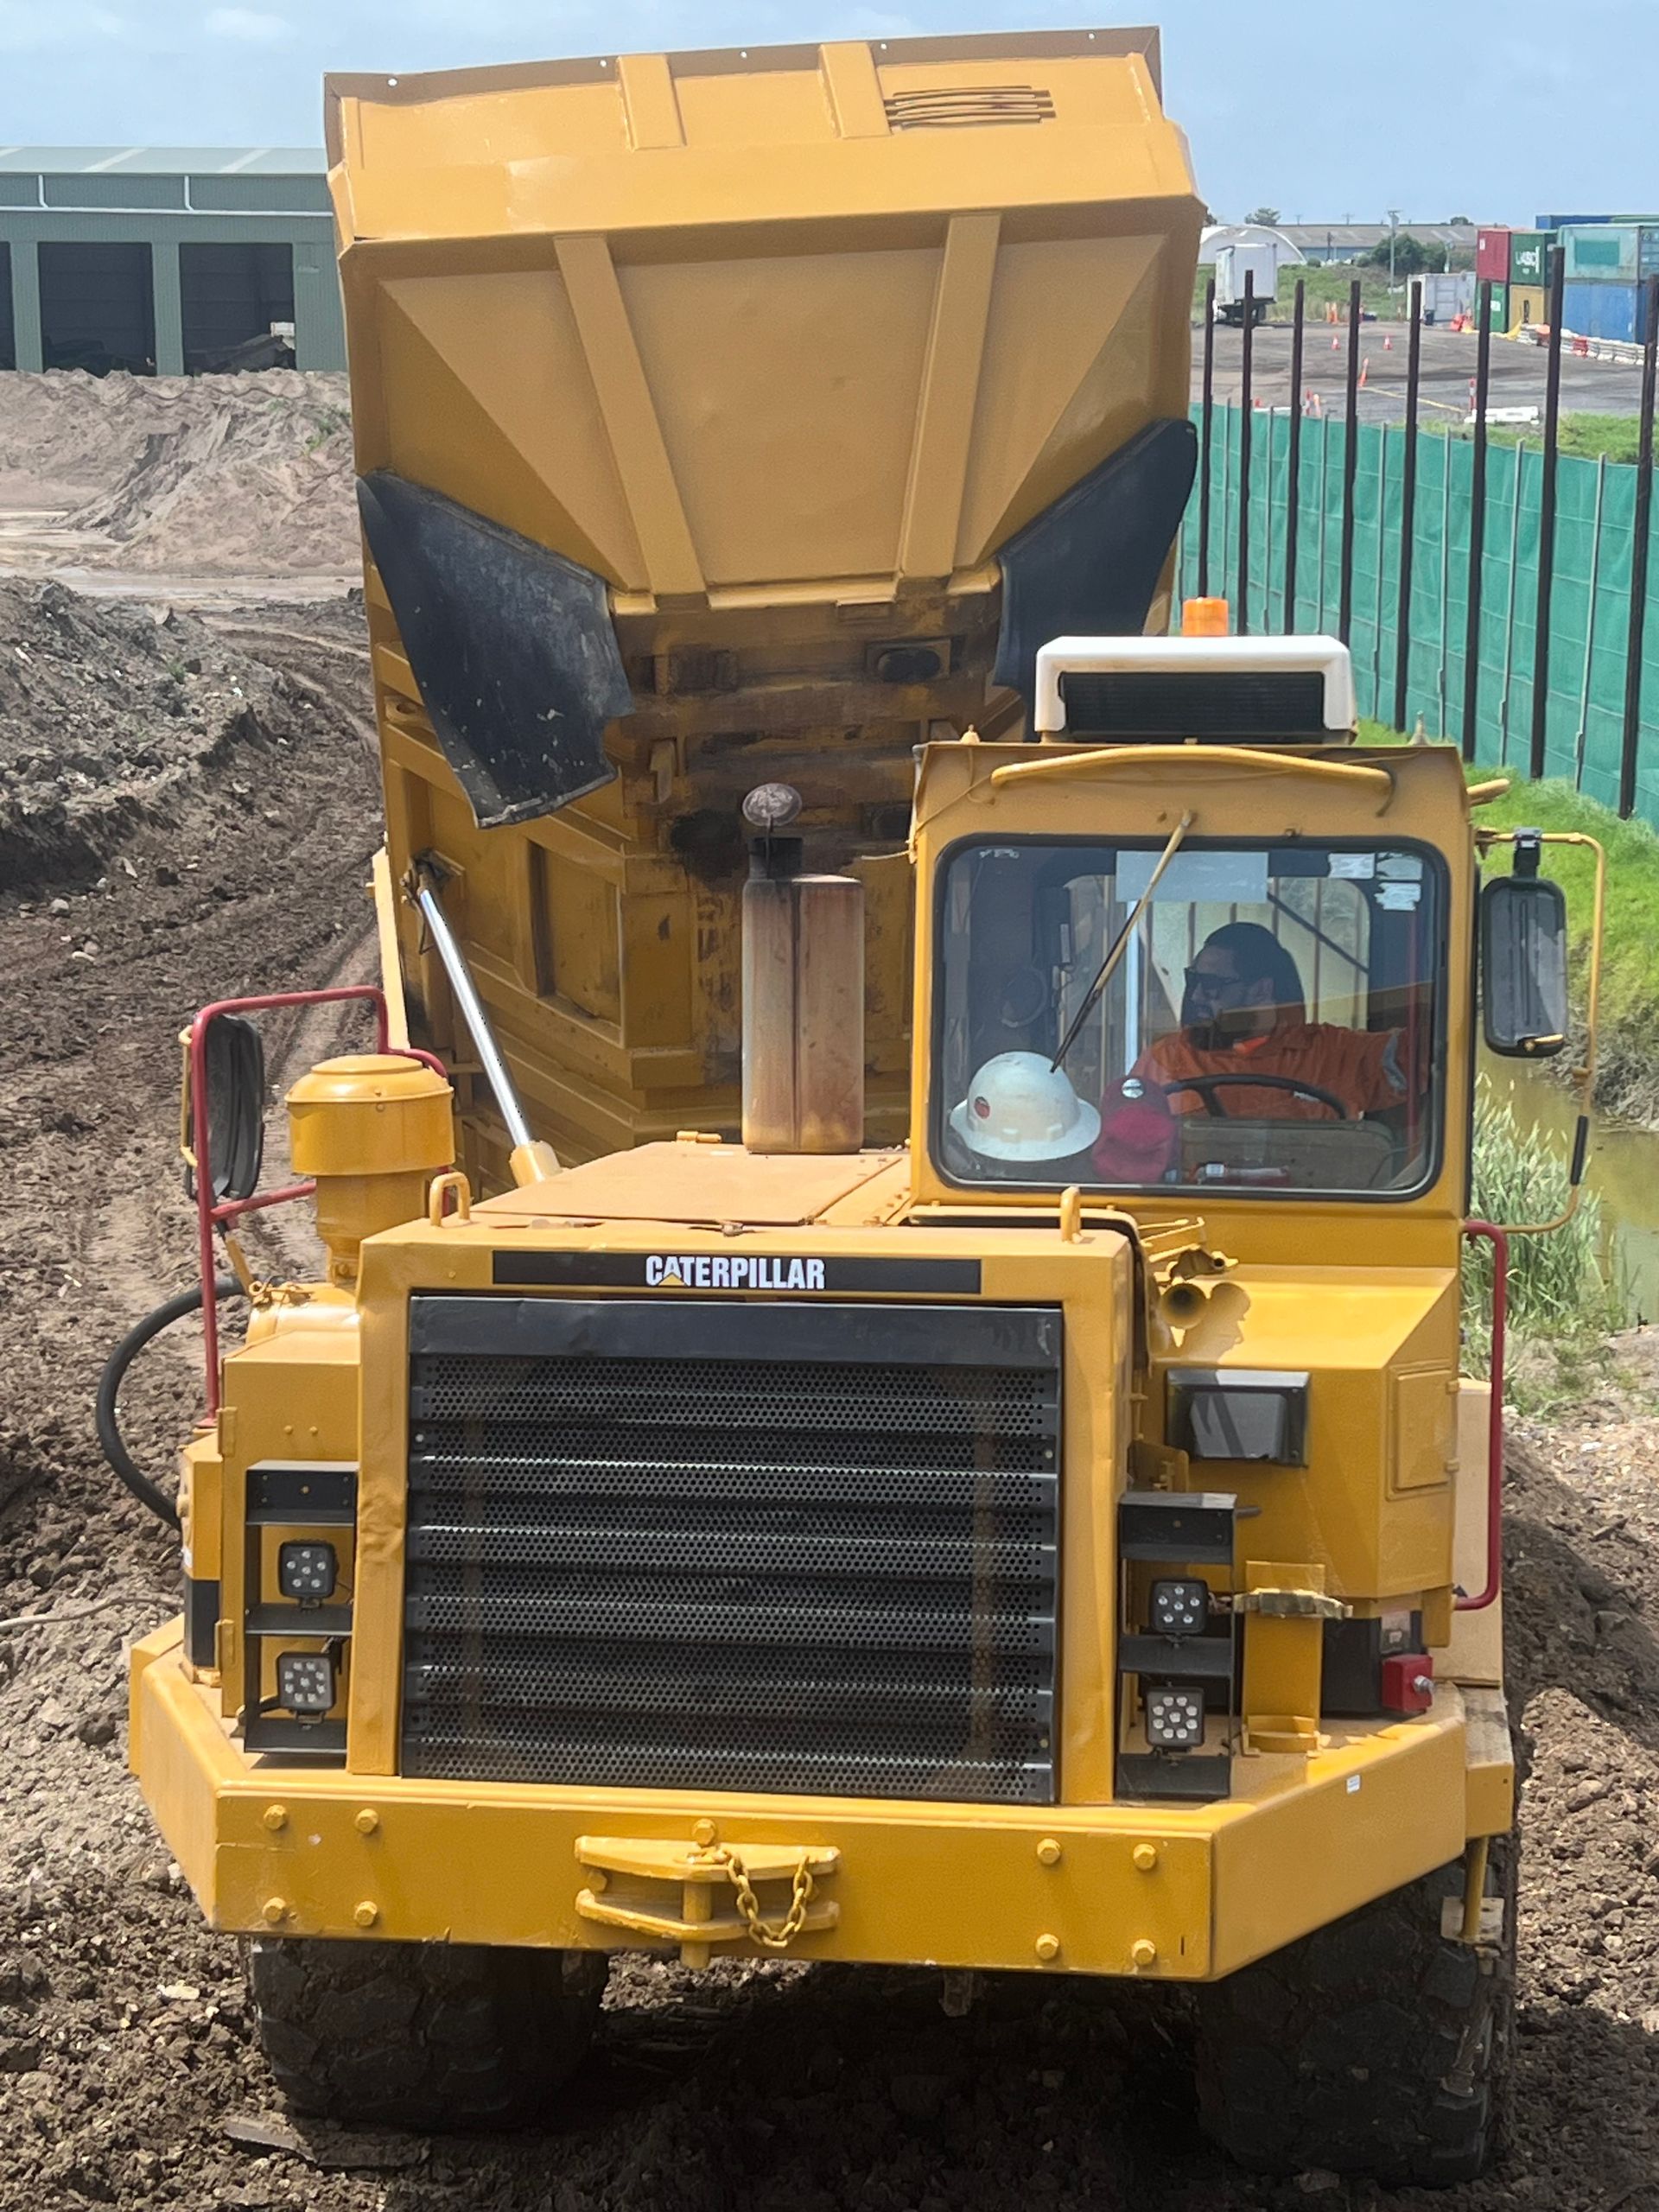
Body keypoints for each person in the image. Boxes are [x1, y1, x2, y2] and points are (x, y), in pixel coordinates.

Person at [1093, 921, 1411, 1182]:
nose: (1198, 995)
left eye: (1212, 984)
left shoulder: (1335, 1053)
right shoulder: (1166, 1059)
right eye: (1194, 980)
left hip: (1315, 1217)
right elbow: (1125, 1156)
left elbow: (1426, 1054)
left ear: (1262, 990)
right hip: (1190, 1215)